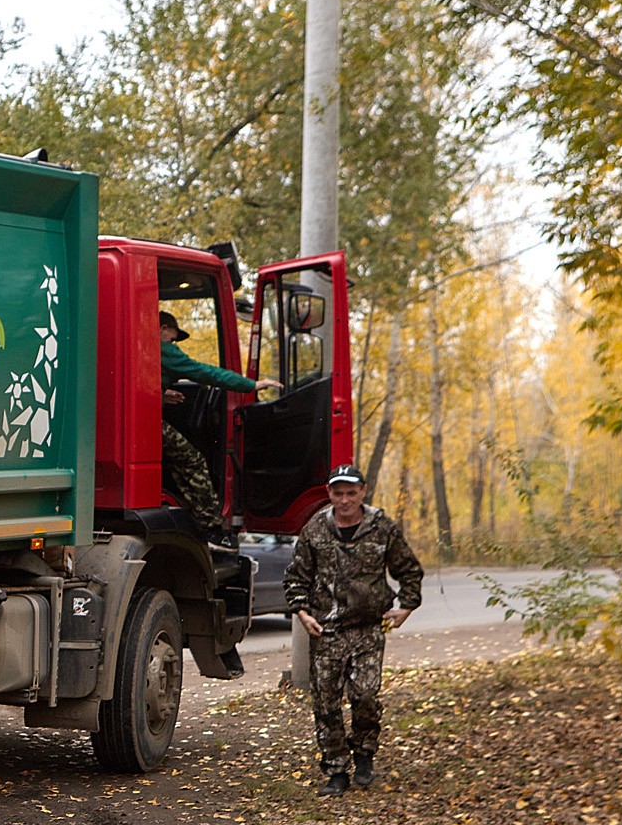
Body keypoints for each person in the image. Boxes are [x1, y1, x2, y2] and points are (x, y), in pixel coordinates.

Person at [283, 465, 423, 795]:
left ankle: (363, 755)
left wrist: (406, 607)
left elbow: (409, 570)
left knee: (364, 695)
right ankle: (335, 771)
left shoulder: (382, 526)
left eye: (351, 492)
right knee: (326, 702)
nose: (345, 500)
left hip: (368, 629)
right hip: (326, 631)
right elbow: (296, 577)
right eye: (338, 493)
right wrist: (303, 613)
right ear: (329, 494)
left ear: (362, 491)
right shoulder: (316, 528)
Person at [157, 310, 275, 528]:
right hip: (147, 423)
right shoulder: (164, 350)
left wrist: (158, 395)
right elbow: (205, 372)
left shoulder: (137, 346)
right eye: (173, 337)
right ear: (163, 329)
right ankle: (211, 524)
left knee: (174, 457)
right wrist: (250, 384)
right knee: (192, 460)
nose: (173, 343)